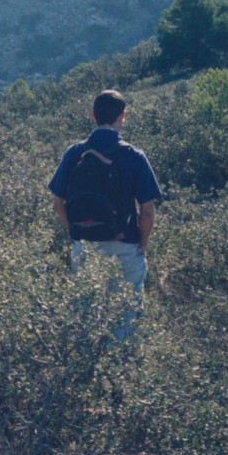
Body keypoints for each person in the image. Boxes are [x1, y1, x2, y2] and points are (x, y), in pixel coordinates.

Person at [48, 89, 162, 341]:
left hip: (85, 247)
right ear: (122, 117)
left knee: (86, 318)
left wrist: (75, 235)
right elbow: (147, 211)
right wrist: (142, 243)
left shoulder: (74, 153)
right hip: (125, 246)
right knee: (126, 322)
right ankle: (121, 372)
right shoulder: (134, 156)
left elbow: (58, 202)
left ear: (93, 115)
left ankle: (84, 375)